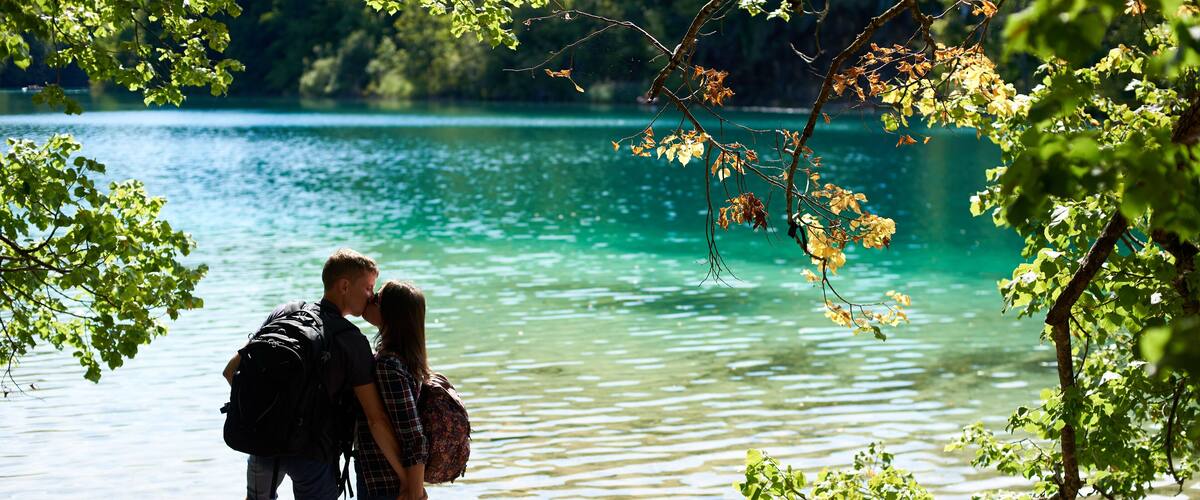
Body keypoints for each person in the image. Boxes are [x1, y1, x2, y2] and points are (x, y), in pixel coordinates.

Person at [223, 248, 409, 500]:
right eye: (368, 288)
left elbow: (231, 370)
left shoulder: (286, 312)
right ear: (344, 286)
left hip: (262, 443)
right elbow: (376, 419)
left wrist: (270, 413)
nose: (371, 296)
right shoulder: (351, 340)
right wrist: (406, 476)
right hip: (313, 454)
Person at [356, 280, 430, 500]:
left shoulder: (387, 366)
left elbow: (414, 436)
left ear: (390, 313)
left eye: (377, 298)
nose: (370, 299)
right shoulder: (408, 360)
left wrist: (413, 491)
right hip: (396, 479)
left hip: (386, 482)